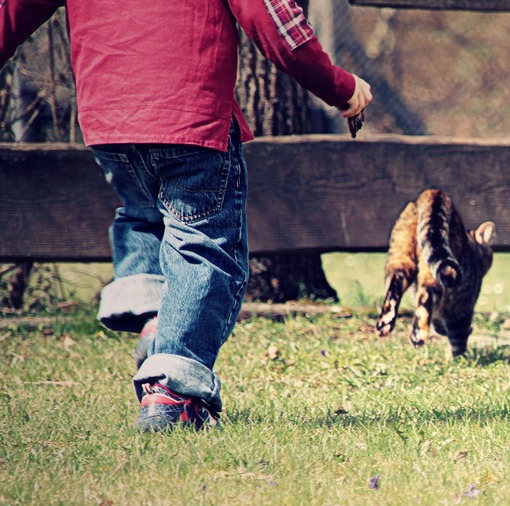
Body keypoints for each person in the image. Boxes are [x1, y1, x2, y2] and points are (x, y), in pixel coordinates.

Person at [1, 0, 372, 432]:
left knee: (143, 215)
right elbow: (272, 19)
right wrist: (339, 86)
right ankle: (173, 393)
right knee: (203, 243)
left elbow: (12, 10)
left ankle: (155, 319)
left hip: (109, 117)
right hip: (188, 113)